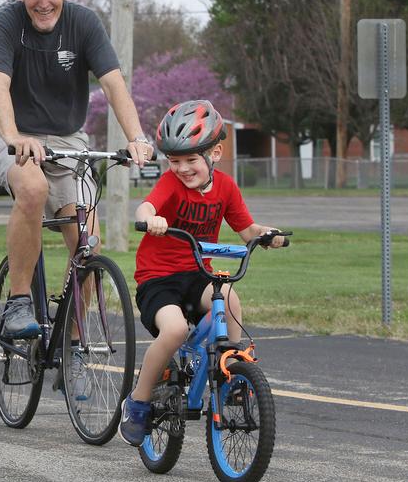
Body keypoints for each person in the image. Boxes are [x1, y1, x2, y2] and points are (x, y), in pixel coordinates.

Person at [0, 0, 153, 342]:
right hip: (10, 133)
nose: (44, 2)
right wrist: (12, 137)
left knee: (87, 239)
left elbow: (112, 83)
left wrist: (136, 136)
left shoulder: (84, 23)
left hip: (67, 138)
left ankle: (71, 340)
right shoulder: (6, 23)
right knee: (32, 187)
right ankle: (19, 301)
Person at [118, 100, 288, 446]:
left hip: (197, 275)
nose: (181, 168)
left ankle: (232, 374)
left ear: (215, 153)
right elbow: (147, 205)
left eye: (190, 159)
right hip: (158, 279)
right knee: (176, 329)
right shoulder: (170, 184)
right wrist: (151, 218)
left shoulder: (226, 187)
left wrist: (269, 236)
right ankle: (137, 401)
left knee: (229, 298)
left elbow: (246, 229)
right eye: (175, 160)